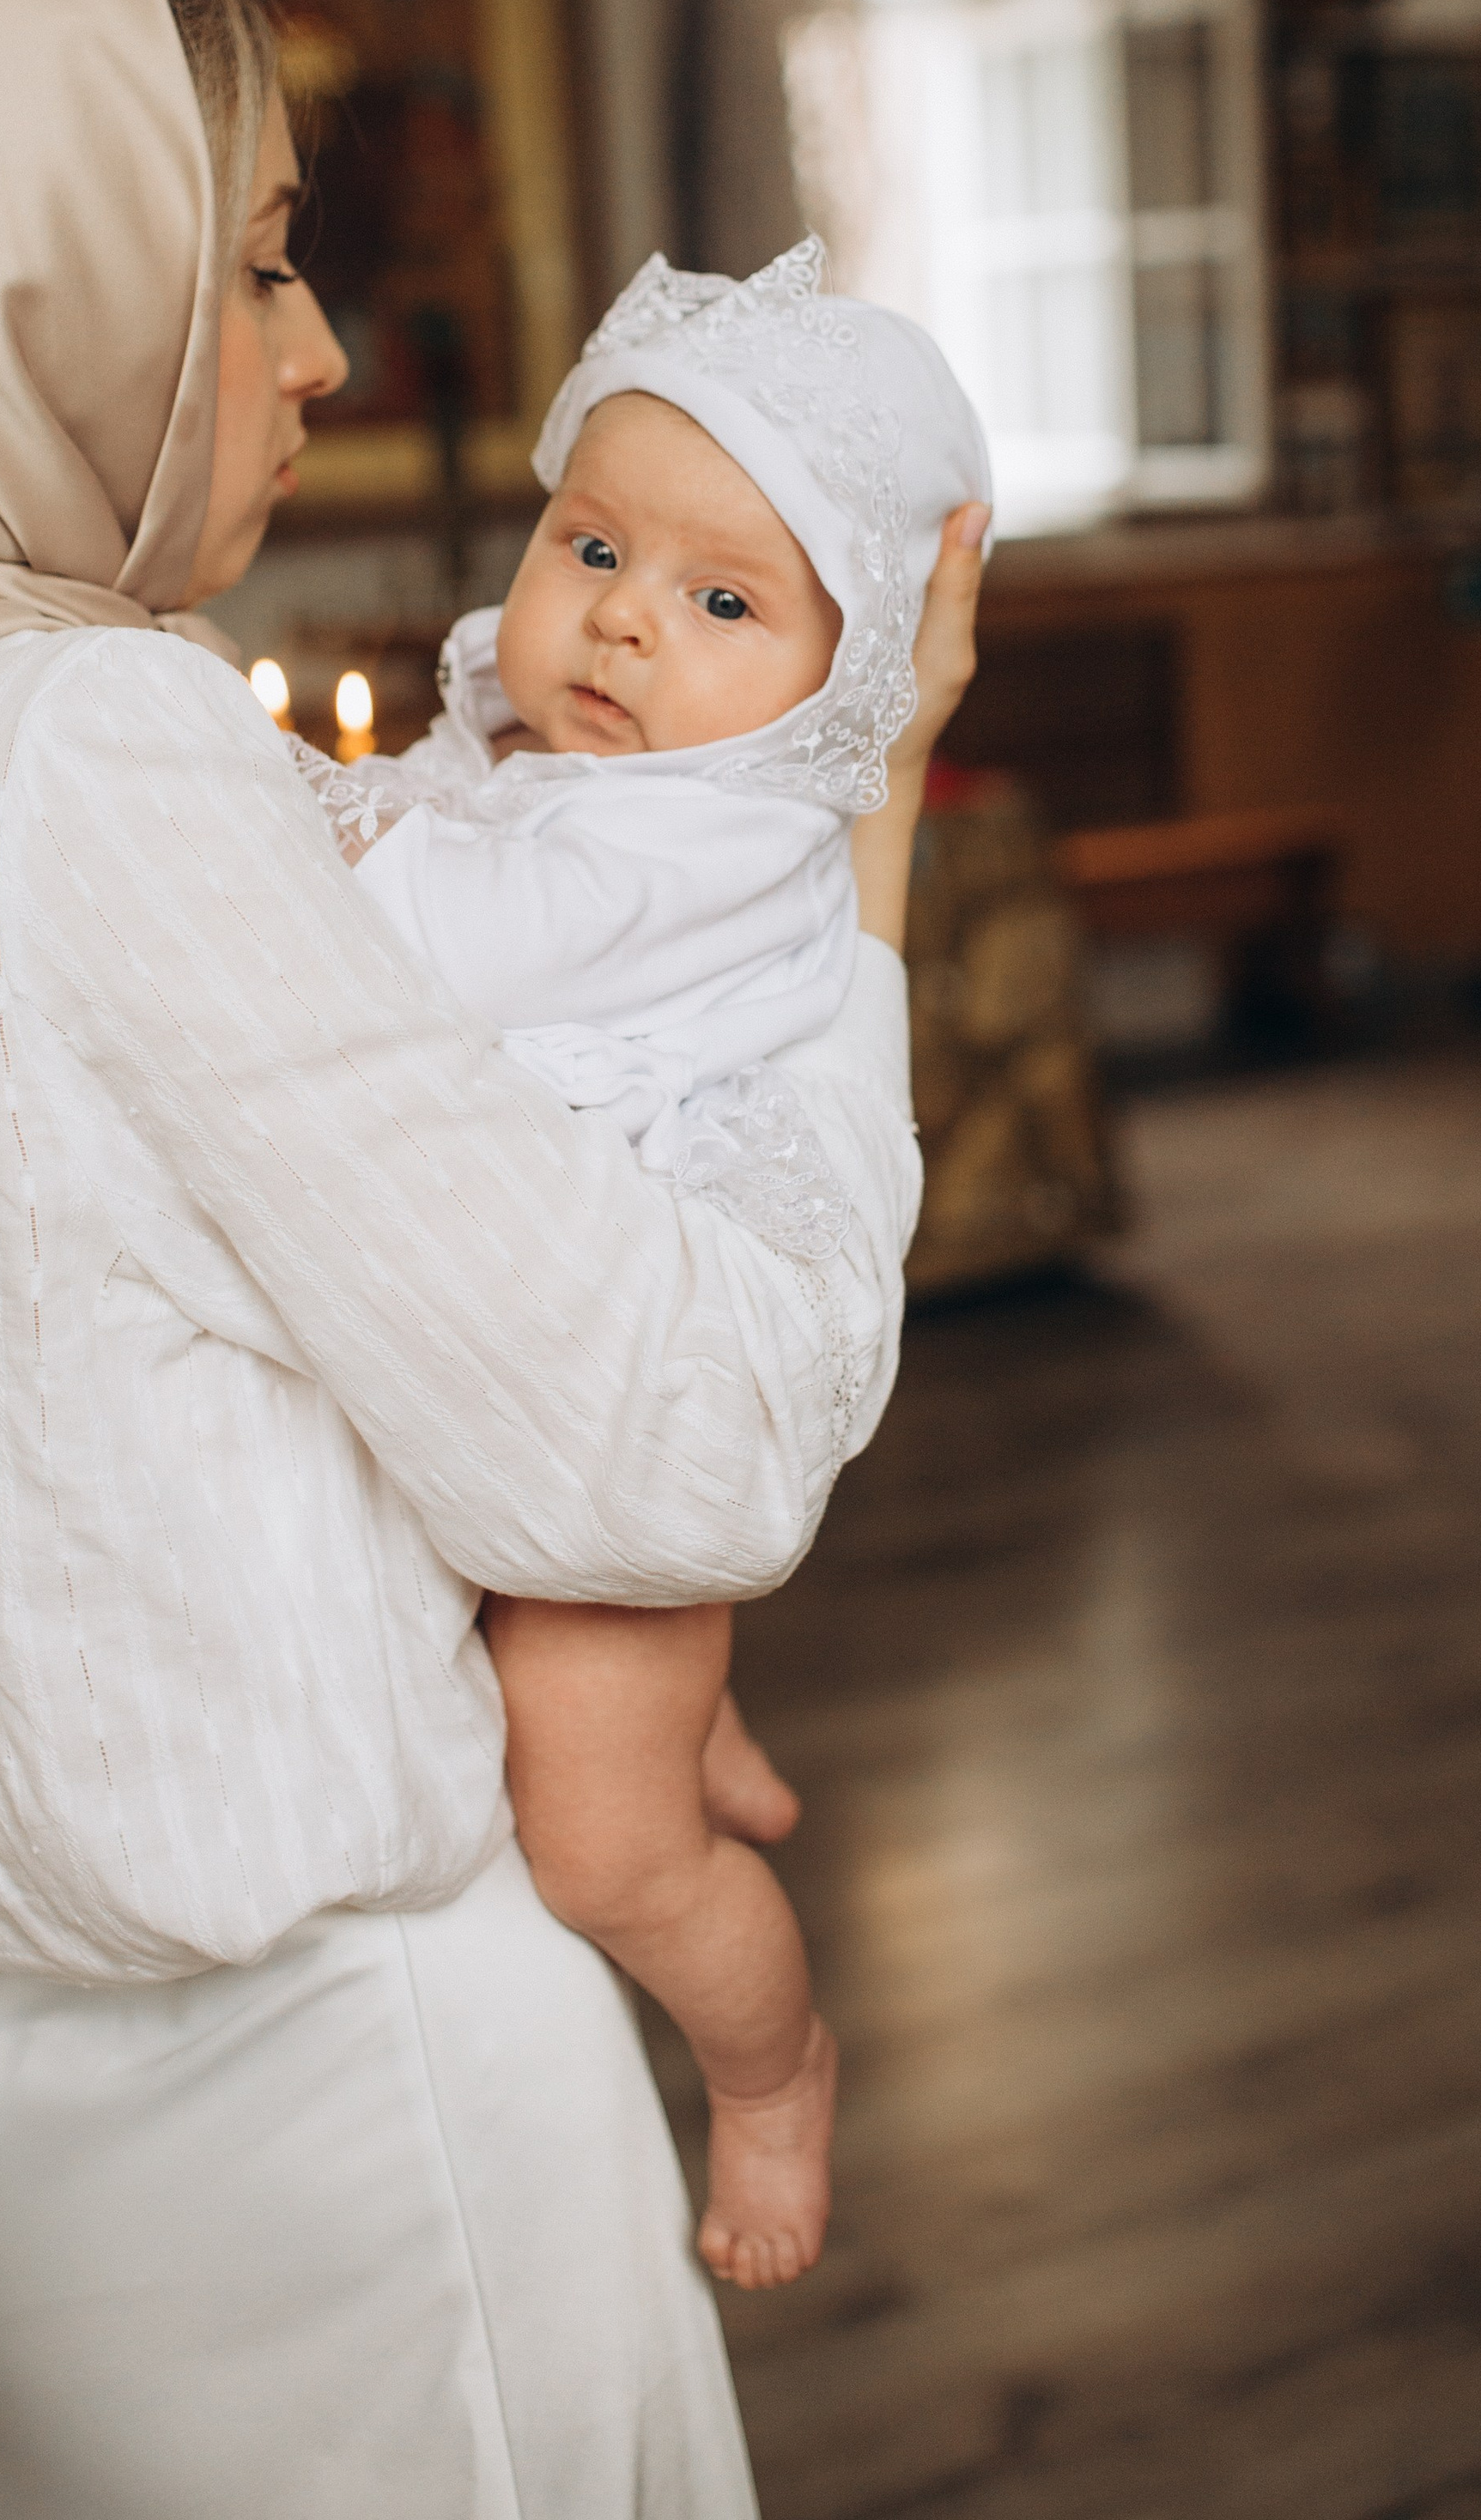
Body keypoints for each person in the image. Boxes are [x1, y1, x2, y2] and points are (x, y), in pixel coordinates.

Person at [0, 0, 983, 2517]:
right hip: (331, 2114)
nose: (318, 350)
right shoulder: (93, 748)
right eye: (257, 260)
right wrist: (857, 826)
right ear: (28, 268)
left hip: (3, 2080)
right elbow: (682, 1445)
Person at [317, 240, 991, 2291]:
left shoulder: (711, 833)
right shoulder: (557, 768)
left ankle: (771, 2068)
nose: (619, 615)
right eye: (592, 545)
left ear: (840, 685)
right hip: (497, 1383)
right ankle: (698, 1718)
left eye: (721, 602)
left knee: (605, 1852)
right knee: (597, 1716)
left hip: (604, 1437)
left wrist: (267, 828)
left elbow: (408, 944)